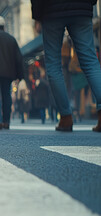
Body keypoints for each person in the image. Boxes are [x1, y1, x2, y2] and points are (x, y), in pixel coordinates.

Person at [31, 0, 101, 132]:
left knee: (53, 64)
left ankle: (65, 117)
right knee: (90, 62)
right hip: (81, 8)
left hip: (51, 10)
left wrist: (37, 16)